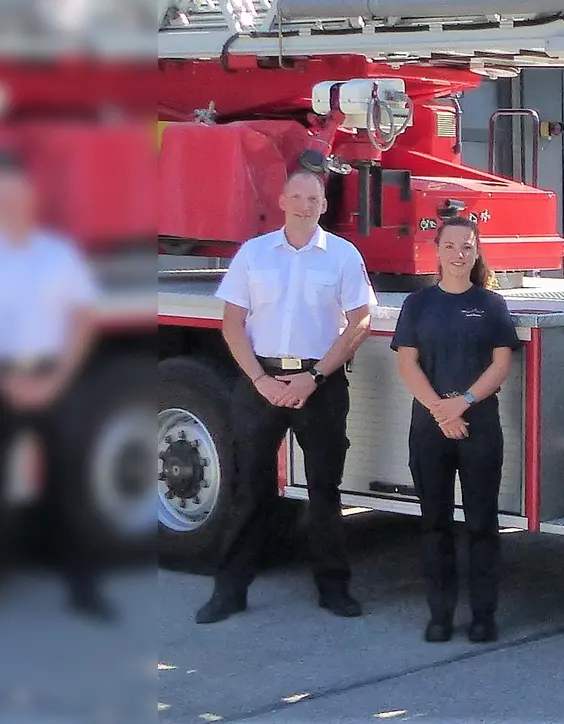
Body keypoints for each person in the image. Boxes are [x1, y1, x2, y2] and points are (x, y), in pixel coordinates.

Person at [195, 168, 376, 625]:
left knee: (324, 491)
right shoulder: (254, 254)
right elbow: (232, 323)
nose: (304, 205)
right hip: (261, 382)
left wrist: (313, 377)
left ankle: (334, 590)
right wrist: (260, 380)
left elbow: (360, 320)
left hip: (320, 383)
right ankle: (229, 592)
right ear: (281, 201)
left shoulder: (343, 255)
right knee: (249, 490)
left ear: (324, 205)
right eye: (296, 196)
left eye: (313, 199)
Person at [391, 217, 520, 644]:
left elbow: (501, 364)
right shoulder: (418, 304)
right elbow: (407, 362)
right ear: (437, 251)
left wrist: (461, 403)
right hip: (430, 427)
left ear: (477, 251)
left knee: (482, 523)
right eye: (450, 246)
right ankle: (440, 616)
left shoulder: (491, 304)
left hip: (479, 426)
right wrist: (440, 411)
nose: (459, 254)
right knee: (435, 523)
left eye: (467, 246)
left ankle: (483, 616)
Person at [0, 151, 107, 618]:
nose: (11, 202)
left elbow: (82, 320)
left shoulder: (58, 254)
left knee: (68, 486)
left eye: (18, 193)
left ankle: (84, 590)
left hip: (52, 378)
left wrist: (57, 380)